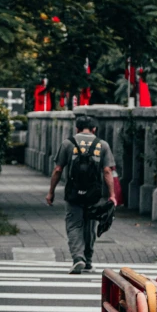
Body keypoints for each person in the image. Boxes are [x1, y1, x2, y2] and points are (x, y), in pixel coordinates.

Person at [47, 115, 116, 273]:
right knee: (90, 225)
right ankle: (89, 259)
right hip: (93, 194)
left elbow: (58, 169)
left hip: (73, 193)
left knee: (73, 225)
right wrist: (112, 195)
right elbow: (107, 171)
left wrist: (51, 192)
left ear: (77, 129)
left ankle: (78, 258)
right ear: (94, 129)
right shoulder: (102, 145)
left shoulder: (68, 143)